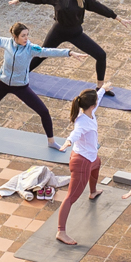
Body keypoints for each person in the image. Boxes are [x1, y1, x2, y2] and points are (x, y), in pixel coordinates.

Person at [0, 21, 74, 149]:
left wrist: (69, 53)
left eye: (27, 35)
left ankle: (51, 142)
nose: (26, 38)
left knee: (44, 112)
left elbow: (47, 51)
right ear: (15, 36)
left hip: (21, 87)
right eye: (23, 36)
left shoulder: (31, 48)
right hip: (2, 83)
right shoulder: (6, 43)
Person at [15, 0, 123, 95]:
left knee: (101, 55)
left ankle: (100, 88)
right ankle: (18, 77)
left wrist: (117, 18)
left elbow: (99, 7)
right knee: (41, 54)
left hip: (76, 33)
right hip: (58, 31)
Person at [55, 89, 104, 245]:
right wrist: (68, 141)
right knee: (71, 197)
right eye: (96, 100)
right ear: (92, 104)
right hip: (82, 162)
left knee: (98, 163)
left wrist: (103, 89)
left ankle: (93, 192)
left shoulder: (89, 111)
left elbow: (98, 99)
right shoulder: (82, 122)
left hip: (90, 158)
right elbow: (76, 133)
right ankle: (61, 232)